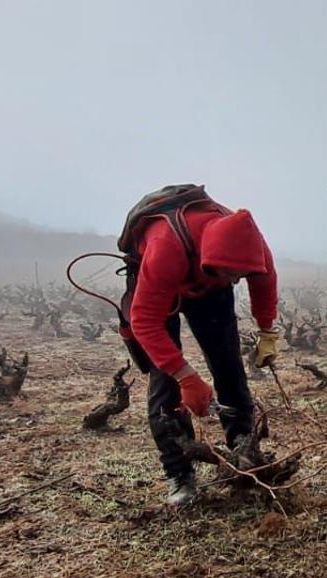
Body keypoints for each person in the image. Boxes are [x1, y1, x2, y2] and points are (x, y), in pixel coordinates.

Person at [116, 185, 280, 506]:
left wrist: (267, 332)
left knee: (230, 370)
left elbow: (264, 279)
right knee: (166, 384)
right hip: (158, 290)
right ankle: (180, 474)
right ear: (211, 259)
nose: (236, 281)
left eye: (240, 275)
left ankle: (244, 458)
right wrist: (186, 377)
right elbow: (145, 321)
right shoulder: (166, 247)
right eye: (232, 274)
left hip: (206, 287)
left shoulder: (248, 242)